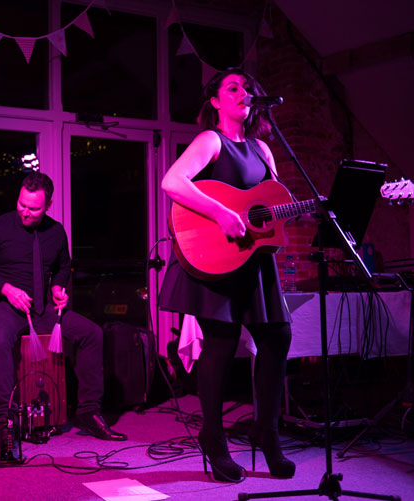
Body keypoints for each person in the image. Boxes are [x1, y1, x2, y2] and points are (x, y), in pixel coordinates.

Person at [159, 69, 295, 481]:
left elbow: (269, 202)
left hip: (254, 260)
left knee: (278, 336)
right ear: (216, 101)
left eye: (248, 88)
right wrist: (221, 213)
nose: (243, 93)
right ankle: (213, 436)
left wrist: (299, 212)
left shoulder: (262, 149)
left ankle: (266, 431)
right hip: (217, 258)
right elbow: (172, 182)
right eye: (233, 88)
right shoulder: (210, 141)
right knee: (221, 343)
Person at [0, 172, 126, 463]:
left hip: (41, 308)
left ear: (48, 205)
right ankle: (4, 421)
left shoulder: (56, 232)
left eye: (33, 208)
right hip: (3, 306)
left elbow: (63, 266)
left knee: (91, 333)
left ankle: (89, 411)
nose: (25, 212)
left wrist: (57, 287)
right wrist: (6, 289)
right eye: (21, 204)